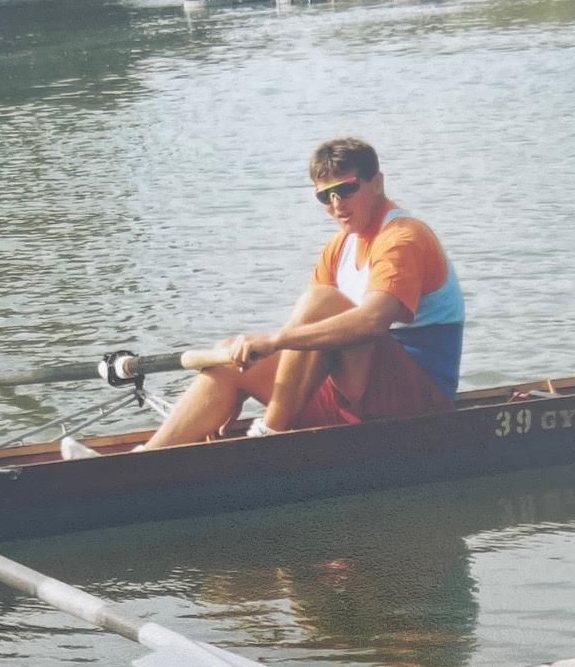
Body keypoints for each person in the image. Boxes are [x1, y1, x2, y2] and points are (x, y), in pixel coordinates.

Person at [144, 138, 463, 448]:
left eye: (346, 189)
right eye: (325, 196)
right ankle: (149, 458)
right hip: (359, 392)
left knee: (321, 302)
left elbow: (372, 320)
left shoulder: (403, 238)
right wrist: (242, 383)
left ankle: (269, 435)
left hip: (420, 405)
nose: (337, 204)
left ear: (377, 183)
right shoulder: (338, 247)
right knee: (230, 358)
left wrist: (275, 341)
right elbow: (307, 334)